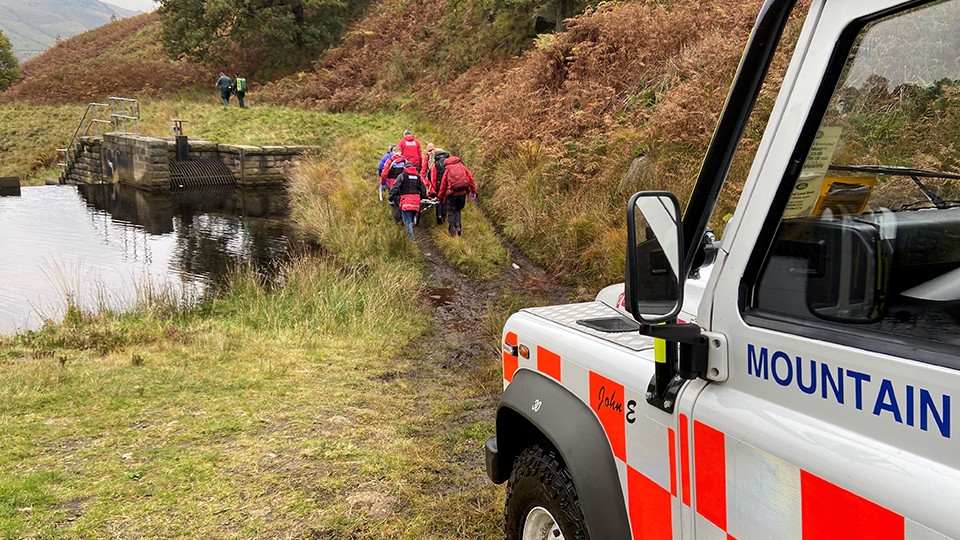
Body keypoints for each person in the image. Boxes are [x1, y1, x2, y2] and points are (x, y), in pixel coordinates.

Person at [437, 154, 477, 236]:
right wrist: (473, 192)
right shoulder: (462, 166)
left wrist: (440, 197)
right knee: (458, 210)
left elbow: (443, 185)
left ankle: (452, 230)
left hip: (452, 194)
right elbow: (471, 179)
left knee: (451, 211)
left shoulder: (447, 169)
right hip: (462, 193)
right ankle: (458, 226)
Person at [388, 162, 426, 240]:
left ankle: (411, 241)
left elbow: (395, 187)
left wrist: (390, 197)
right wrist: (420, 198)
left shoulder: (402, 176)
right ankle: (411, 233)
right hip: (416, 202)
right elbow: (424, 191)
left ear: (405, 168)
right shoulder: (418, 177)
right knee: (411, 221)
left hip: (406, 202)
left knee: (407, 222)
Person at [380, 152, 407, 223]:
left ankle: (398, 221)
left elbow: (384, 174)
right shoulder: (405, 161)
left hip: (392, 185)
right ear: (401, 152)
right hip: (402, 184)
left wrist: (383, 183)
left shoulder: (389, 161)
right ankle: (405, 219)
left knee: (396, 203)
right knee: (403, 201)